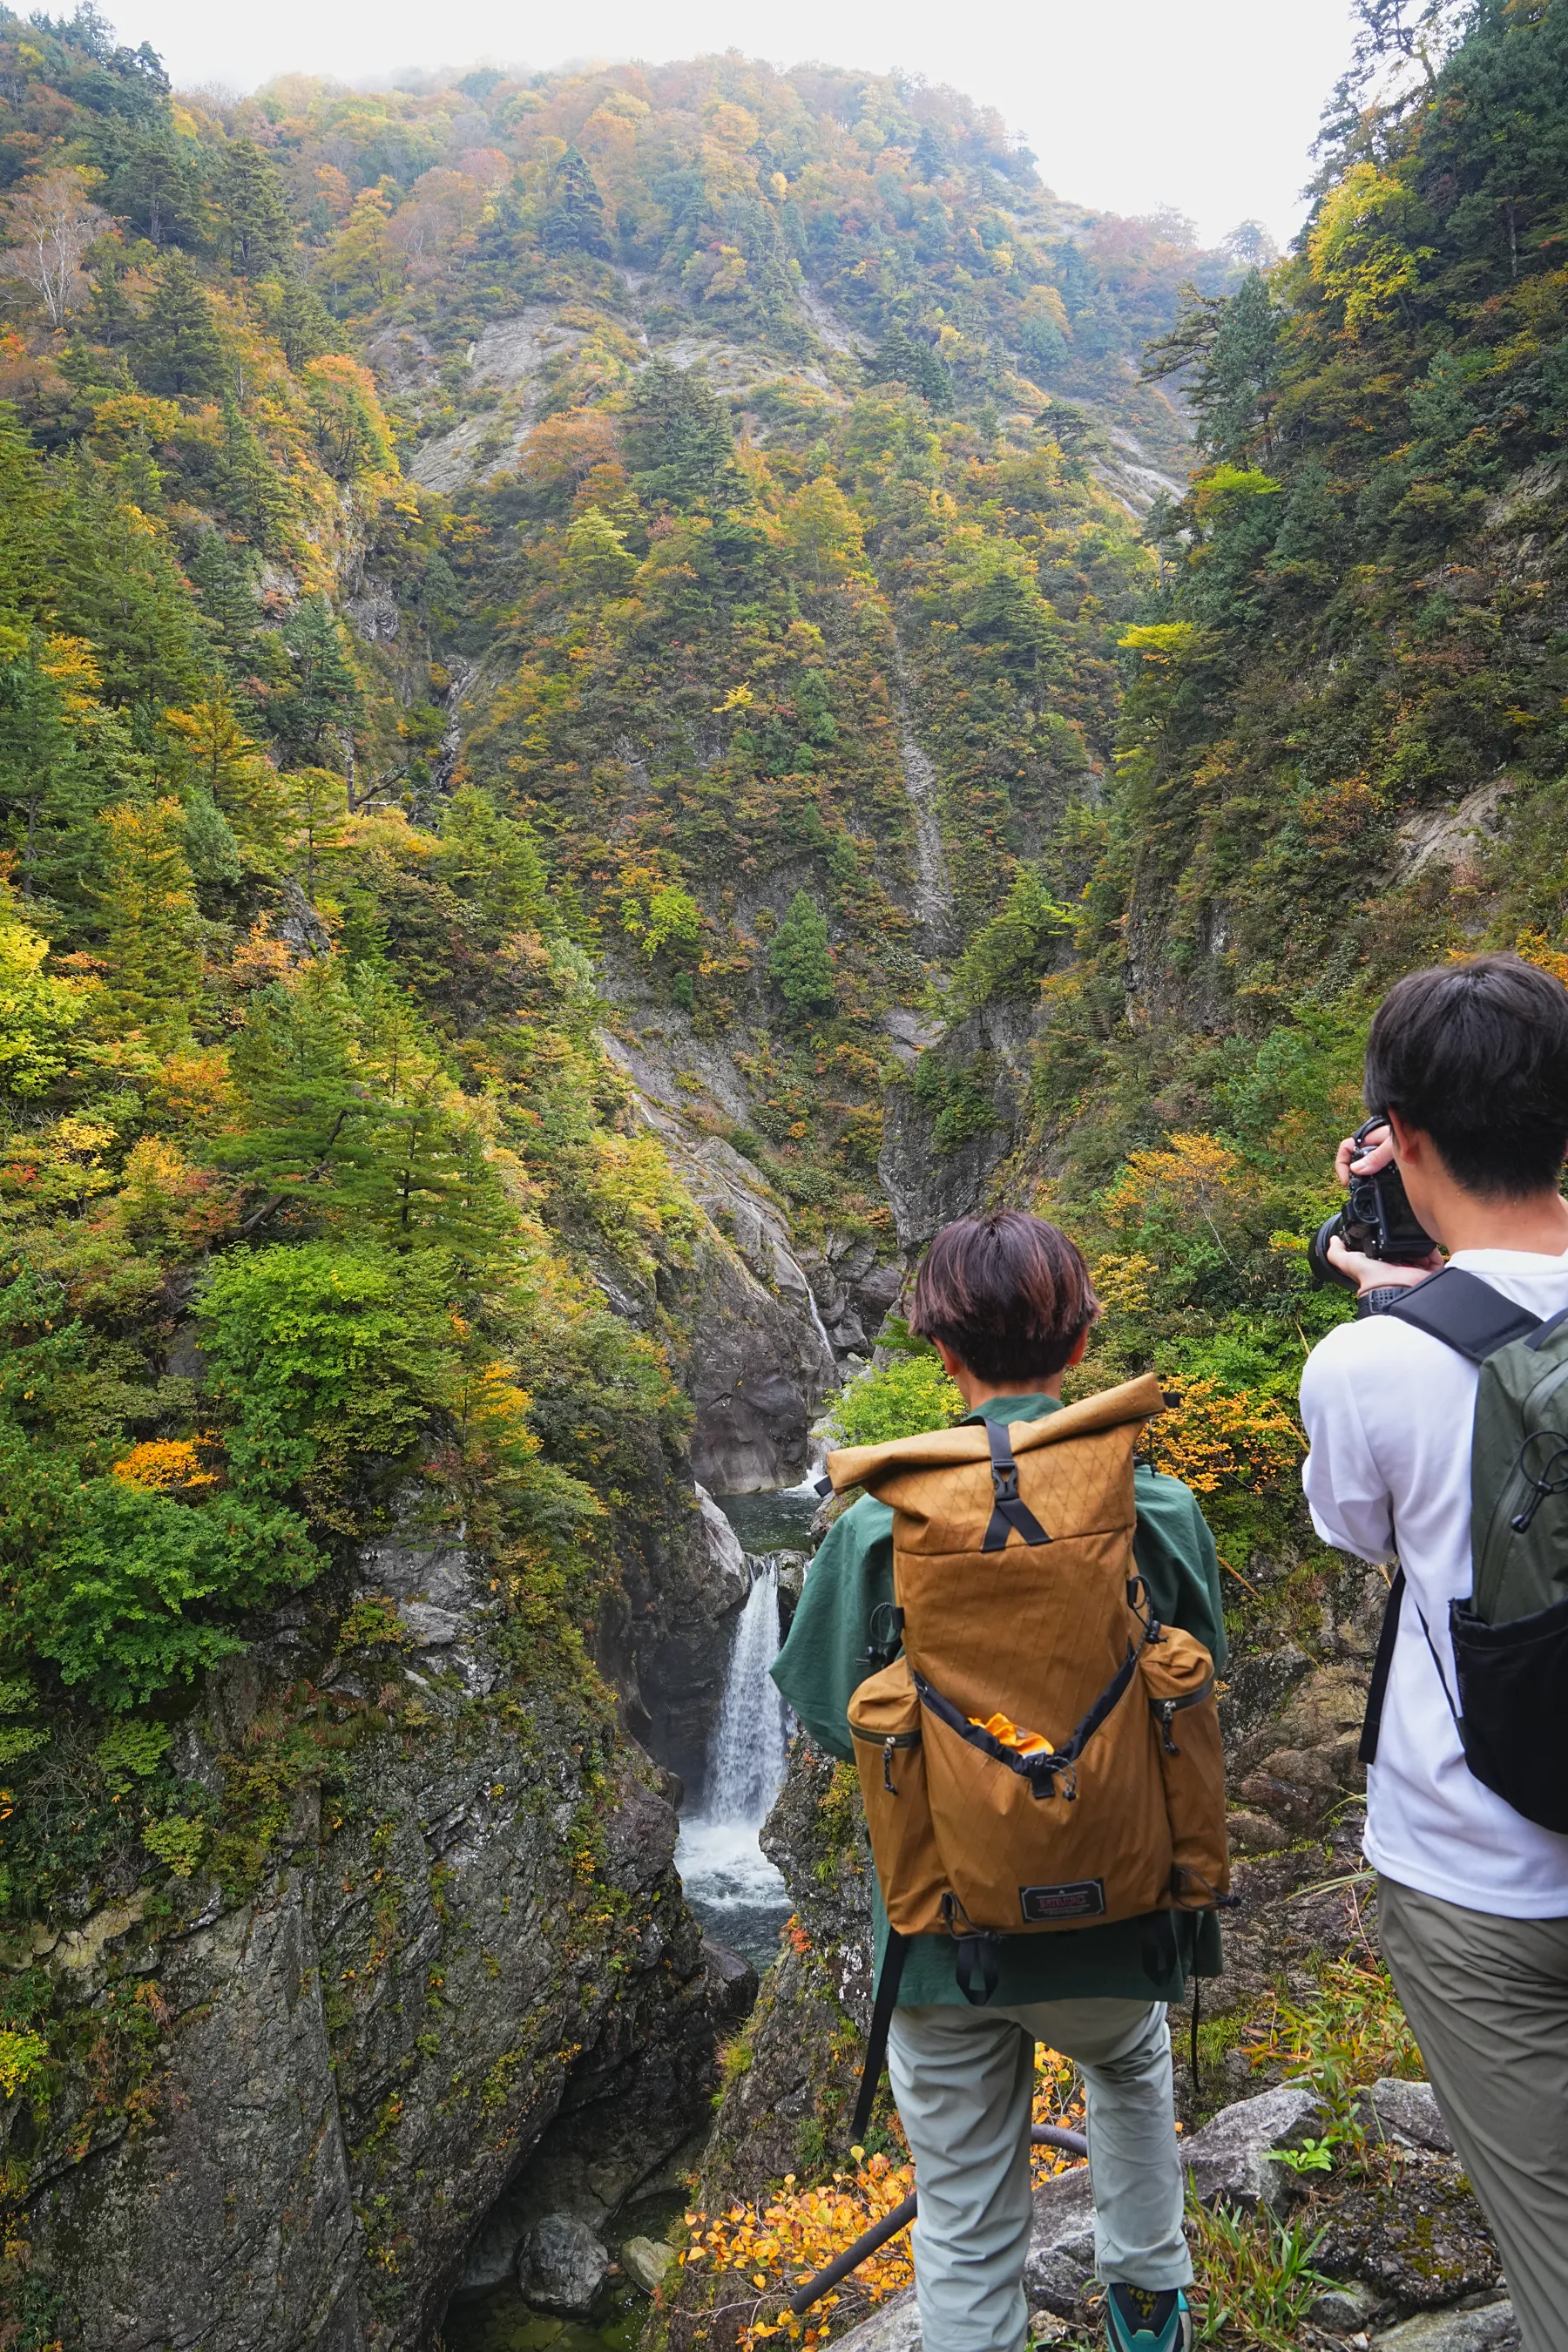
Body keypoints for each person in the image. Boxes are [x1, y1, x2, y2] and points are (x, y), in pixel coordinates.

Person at [773, 1210, 1227, 2352]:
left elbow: (832, 1716)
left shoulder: (878, 1523)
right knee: (1128, 2074)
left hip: (944, 1936)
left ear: (942, 1354)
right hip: (1122, 1917)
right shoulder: (1154, 1506)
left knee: (968, 2225)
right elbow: (1195, 1676)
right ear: (1079, 1350)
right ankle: (1148, 2314)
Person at [1299, 952, 1568, 2352]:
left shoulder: (1375, 1363)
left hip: (1476, 1871)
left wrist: (1392, 1298)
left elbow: (1361, 1532)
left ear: (1398, 1143)